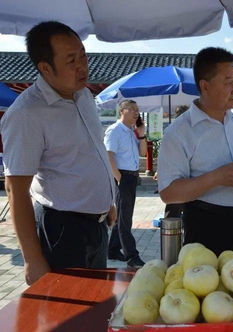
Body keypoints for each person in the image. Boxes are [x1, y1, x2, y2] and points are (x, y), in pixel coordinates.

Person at [0, 21, 117, 285]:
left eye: (83, 55)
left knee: (97, 306)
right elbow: (15, 190)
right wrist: (32, 259)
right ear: (45, 68)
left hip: (97, 226)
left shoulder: (83, 96)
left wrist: (106, 201)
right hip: (63, 231)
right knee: (66, 315)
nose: (82, 66)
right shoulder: (27, 114)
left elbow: (91, 153)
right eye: (71, 60)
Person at [157, 47, 233, 257]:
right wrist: (218, 177)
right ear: (204, 86)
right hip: (208, 226)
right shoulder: (180, 132)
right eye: (228, 82)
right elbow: (168, 193)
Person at [104, 100, 147, 267]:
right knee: (125, 219)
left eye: (138, 110)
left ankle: (113, 250)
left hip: (131, 177)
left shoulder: (130, 132)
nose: (137, 113)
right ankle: (132, 256)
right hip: (122, 177)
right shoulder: (115, 130)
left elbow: (142, 152)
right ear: (122, 111)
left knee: (123, 215)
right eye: (133, 109)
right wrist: (119, 178)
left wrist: (141, 133)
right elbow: (109, 156)